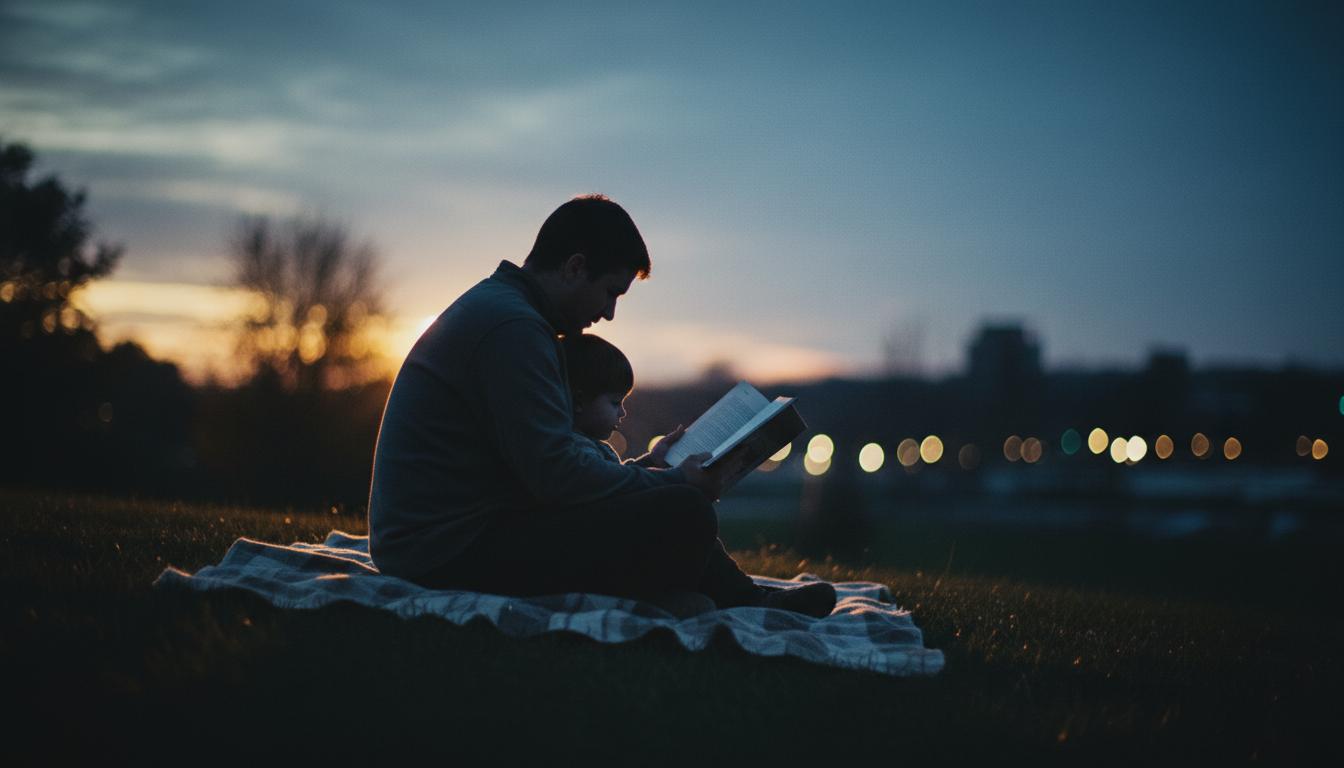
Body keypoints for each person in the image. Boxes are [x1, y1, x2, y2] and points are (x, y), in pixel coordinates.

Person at [367, 195, 834, 617]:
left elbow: (546, 470)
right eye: (611, 292)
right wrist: (670, 480)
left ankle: (727, 597)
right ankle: (708, 599)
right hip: (442, 552)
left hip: (458, 533)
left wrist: (652, 472)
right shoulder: (514, 330)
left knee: (672, 503)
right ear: (574, 267)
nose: (609, 313)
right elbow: (556, 477)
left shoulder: (507, 313)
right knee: (683, 510)